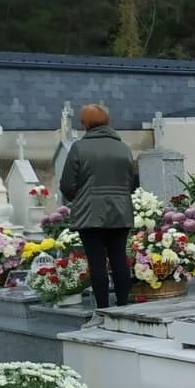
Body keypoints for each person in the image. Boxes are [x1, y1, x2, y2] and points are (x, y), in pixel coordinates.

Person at [59, 103, 138, 308]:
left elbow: (67, 184)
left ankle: (102, 308)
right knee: (119, 259)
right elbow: (132, 181)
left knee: (96, 262)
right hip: (121, 212)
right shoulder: (123, 148)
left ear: (85, 124)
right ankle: (123, 305)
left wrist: (79, 198)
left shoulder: (79, 148)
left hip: (90, 213)